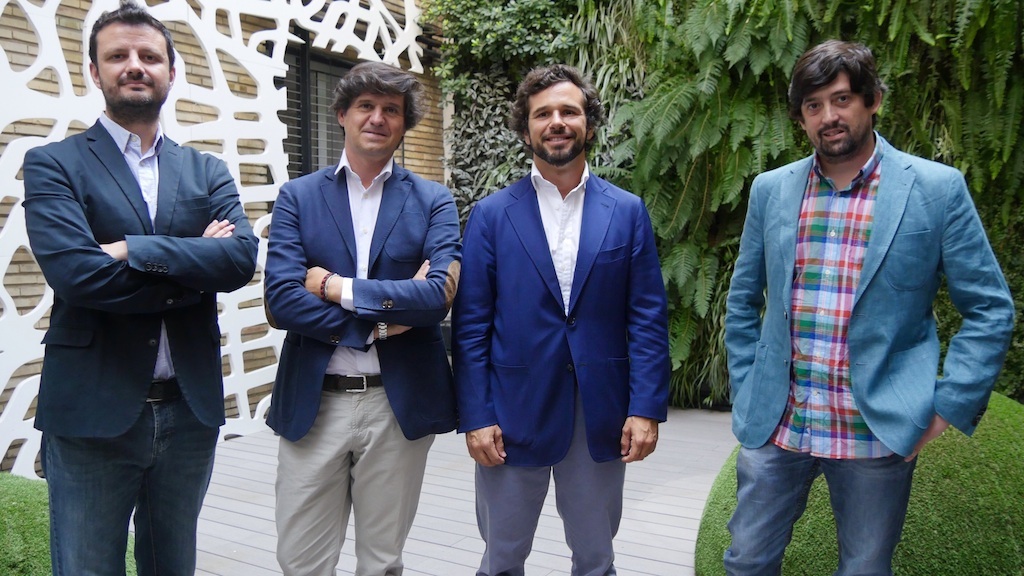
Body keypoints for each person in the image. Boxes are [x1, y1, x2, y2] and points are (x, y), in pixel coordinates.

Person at [723, 40, 1016, 575]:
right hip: (779, 424)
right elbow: (742, 300)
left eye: (841, 99)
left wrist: (947, 406)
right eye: (813, 106)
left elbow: (990, 308)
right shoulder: (771, 190)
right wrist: (747, 387)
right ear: (801, 118)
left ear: (873, 100)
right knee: (746, 561)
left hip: (874, 431)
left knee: (864, 569)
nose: (828, 117)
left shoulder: (936, 189)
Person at [21, 1, 258, 574]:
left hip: (189, 411)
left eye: (149, 56)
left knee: (172, 566)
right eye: (117, 56)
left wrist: (132, 249)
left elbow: (238, 261)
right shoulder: (54, 164)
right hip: (92, 411)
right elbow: (78, 276)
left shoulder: (206, 171)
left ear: (171, 72)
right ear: (94, 71)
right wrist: (193, 262)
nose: (134, 65)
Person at [452, 63, 671, 576]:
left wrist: (645, 408)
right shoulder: (491, 215)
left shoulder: (626, 211)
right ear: (526, 127)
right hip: (511, 413)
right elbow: (471, 326)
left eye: (569, 112)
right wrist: (477, 415)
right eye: (543, 113)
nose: (557, 122)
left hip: (601, 412)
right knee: (502, 557)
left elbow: (646, 317)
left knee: (596, 558)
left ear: (588, 125)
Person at [263, 61, 461, 576]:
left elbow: (436, 297)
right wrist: (377, 325)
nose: (378, 118)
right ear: (342, 115)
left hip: (397, 405)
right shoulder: (298, 197)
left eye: (391, 109)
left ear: (404, 122)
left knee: (382, 561)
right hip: (315, 402)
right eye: (366, 106)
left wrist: (334, 287)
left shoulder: (433, 201)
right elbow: (281, 300)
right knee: (300, 561)